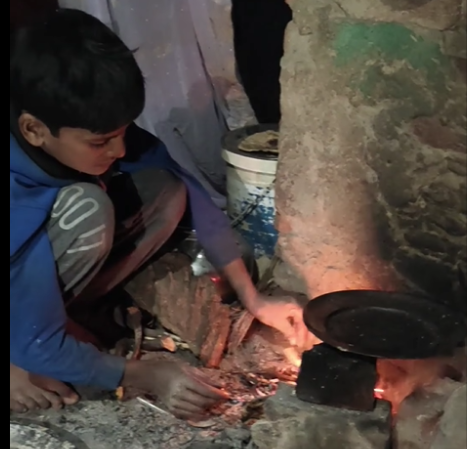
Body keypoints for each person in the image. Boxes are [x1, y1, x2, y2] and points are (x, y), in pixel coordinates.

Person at [10, 9, 311, 421]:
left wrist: (252, 297)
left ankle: (59, 330)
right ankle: (34, 348)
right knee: (87, 207)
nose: (117, 150)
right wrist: (146, 374)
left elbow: (194, 199)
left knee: (166, 189)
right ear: (33, 130)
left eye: (121, 133)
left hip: (34, 281)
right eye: (101, 142)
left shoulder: (86, 130)